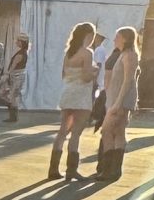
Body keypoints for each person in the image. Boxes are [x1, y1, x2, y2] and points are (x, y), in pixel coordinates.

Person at [47, 21, 99, 182]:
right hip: (81, 95)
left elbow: (64, 74)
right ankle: (71, 169)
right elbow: (86, 76)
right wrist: (95, 72)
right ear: (89, 35)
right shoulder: (87, 53)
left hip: (67, 92)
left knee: (62, 131)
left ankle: (53, 168)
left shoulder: (68, 53)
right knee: (76, 133)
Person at [95, 25, 140, 183]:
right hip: (115, 99)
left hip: (121, 100)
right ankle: (113, 170)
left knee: (107, 131)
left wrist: (118, 103)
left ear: (125, 39)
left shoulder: (130, 55)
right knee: (118, 132)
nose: (114, 40)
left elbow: (128, 81)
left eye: (117, 37)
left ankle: (108, 169)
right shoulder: (123, 54)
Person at [0, 33, 29, 121]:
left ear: (22, 42)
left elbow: (13, 66)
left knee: (11, 95)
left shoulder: (20, 54)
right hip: (18, 76)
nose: (16, 42)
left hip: (16, 77)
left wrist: (6, 75)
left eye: (18, 40)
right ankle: (13, 115)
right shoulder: (23, 53)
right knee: (12, 95)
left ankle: (13, 116)